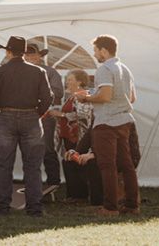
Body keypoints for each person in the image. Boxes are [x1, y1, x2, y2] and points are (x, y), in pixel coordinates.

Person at [0, 36, 53, 216]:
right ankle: (35, 208)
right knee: (33, 166)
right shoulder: (38, 71)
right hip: (31, 117)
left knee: (4, 164)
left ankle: (2, 207)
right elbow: (48, 98)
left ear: (8, 51)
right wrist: (37, 113)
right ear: (24, 52)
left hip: (6, 117)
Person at [75, 35, 139, 216]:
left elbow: (105, 97)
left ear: (103, 50)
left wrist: (85, 97)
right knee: (126, 165)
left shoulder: (104, 69)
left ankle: (110, 207)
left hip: (106, 123)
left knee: (107, 165)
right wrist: (95, 93)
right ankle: (132, 205)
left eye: (95, 50)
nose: (95, 54)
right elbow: (132, 98)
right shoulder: (125, 69)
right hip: (124, 120)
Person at [49, 69, 100, 205]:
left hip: (79, 137)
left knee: (78, 165)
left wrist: (61, 115)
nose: (67, 82)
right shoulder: (71, 96)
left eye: (70, 80)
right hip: (68, 136)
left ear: (80, 82)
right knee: (69, 163)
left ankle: (81, 196)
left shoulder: (84, 95)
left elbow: (83, 116)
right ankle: (73, 195)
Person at [25, 44, 65, 187]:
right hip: (27, 116)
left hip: (46, 115)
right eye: (27, 55)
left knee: (47, 148)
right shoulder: (22, 73)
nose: (30, 57)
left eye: (33, 54)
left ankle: (53, 182)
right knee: (29, 150)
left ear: (40, 56)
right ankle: (33, 182)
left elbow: (58, 93)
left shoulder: (50, 72)